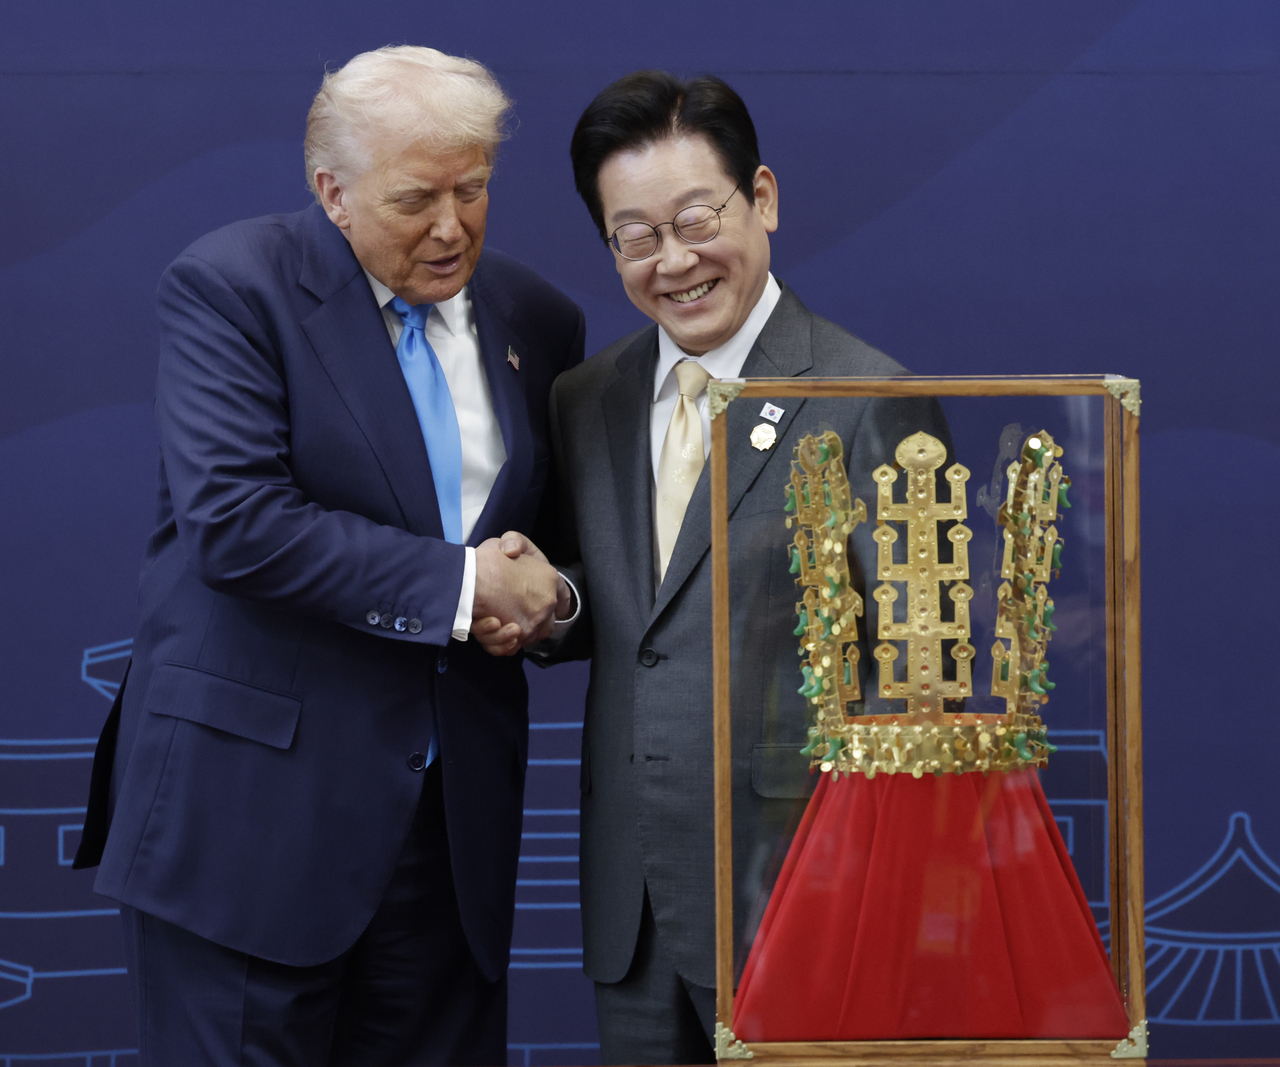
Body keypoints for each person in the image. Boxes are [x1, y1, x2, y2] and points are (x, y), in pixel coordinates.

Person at [72, 45, 584, 1066]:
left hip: (447, 847)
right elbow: (237, 521)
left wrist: (554, 600)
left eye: (473, 189)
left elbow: (559, 547)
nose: (452, 226)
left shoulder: (537, 318)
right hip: (251, 832)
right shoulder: (232, 286)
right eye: (415, 199)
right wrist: (463, 585)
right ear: (332, 191)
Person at [526, 71, 946, 1063]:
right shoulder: (585, 398)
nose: (673, 261)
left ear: (762, 197)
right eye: (635, 236)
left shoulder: (867, 397)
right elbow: (622, 603)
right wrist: (551, 601)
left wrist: (859, 882)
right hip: (631, 902)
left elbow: (917, 675)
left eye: (695, 219)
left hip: (798, 897)